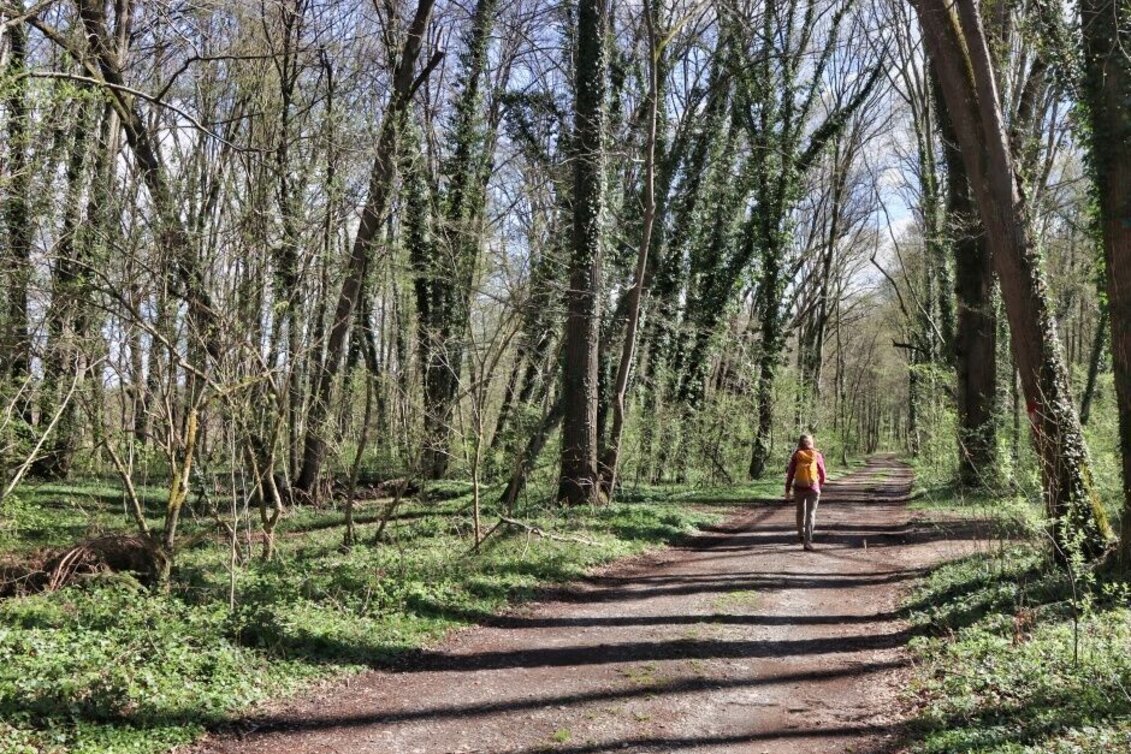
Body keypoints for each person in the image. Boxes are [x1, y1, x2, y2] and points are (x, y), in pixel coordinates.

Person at [785, 433, 827, 551]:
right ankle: (807, 541)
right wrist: (819, 485)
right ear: (811, 442)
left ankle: (800, 534)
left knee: (800, 511)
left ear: (800, 443)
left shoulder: (796, 455)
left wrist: (787, 489)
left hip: (798, 488)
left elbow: (790, 474)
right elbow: (823, 473)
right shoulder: (817, 454)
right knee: (810, 514)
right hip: (813, 488)